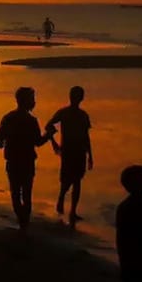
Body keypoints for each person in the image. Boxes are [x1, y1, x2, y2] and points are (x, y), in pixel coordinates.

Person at [0, 87, 56, 230]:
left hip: (13, 162)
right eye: (32, 99)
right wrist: (49, 135)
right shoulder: (31, 121)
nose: (34, 102)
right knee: (26, 194)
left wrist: (5, 141)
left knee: (16, 194)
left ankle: (22, 222)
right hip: (27, 162)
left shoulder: (8, 118)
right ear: (26, 101)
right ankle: (24, 223)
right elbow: (38, 142)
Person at [46, 85, 93, 223]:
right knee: (67, 180)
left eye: (79, 96)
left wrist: (90, 155)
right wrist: (53, 141)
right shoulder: (63, 113)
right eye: (76, 96)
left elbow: (86, 136)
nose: (77, 98)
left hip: (79, 151)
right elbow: (49, 125)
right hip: (67, 151)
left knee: (77, 181)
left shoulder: (83, 115)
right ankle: (61, 198)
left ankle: (73, 211)